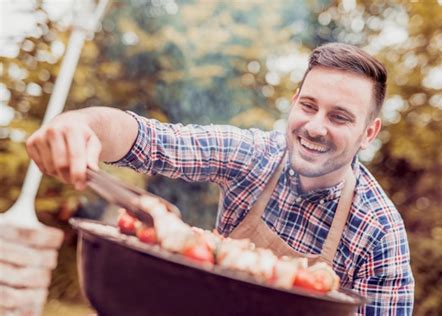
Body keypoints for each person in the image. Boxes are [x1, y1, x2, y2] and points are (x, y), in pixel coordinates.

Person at [26, 42, 414, 315]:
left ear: (368, 133)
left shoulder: (379, 231)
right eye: (308, 106)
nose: (314, 127)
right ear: (294, 101)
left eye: (340, 117)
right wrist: (79, 125)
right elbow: (149, 140)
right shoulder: (251, 156)